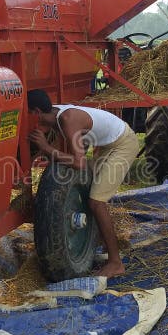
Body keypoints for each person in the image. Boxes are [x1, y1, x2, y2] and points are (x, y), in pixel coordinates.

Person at [27, 89, 139, 279]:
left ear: (37, 112)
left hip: (123, 144)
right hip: (108, 144)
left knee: (96, 202)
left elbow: (78, 163)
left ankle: (115, 263)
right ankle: (102, 240)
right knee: (89, 188)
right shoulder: (54, 114)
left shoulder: (67, 119)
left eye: (28, 113)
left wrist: (45, 147)